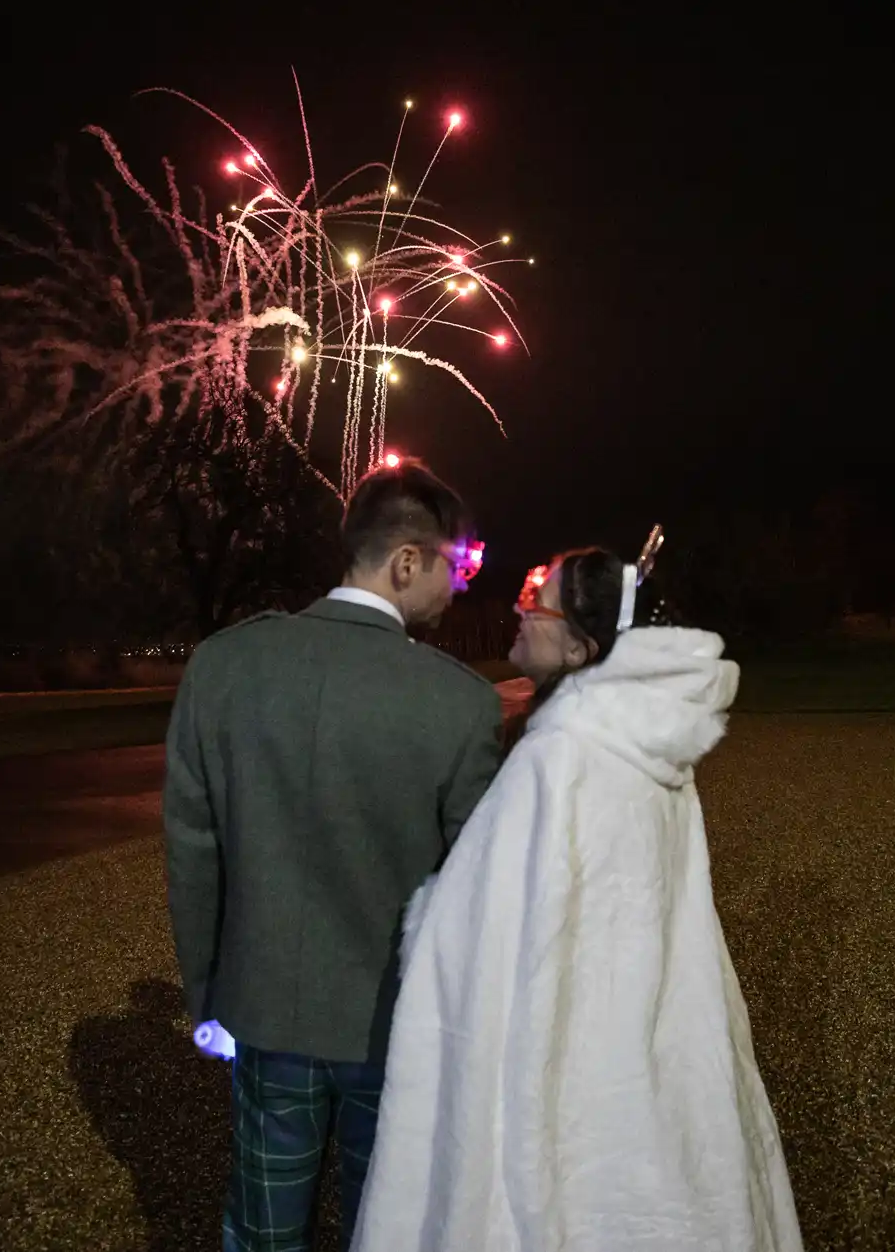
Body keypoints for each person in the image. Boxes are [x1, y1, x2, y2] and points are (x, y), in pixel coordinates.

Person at [352, 539, 805, 1252]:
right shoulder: (646, 752)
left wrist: (430, 906)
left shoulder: (560, 757)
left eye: (539, 599)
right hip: (638, 1054)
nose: (522, 608)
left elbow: (481, 934)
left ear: (578, 648)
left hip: (563, 1069)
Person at [162, 459, 506, 1252]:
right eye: (456, 565)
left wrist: (210, 995)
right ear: (407, 561)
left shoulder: (224, 666)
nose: (458, 586)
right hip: (396, 1022)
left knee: (262, 1226)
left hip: (264, 1005)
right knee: (385, 1227)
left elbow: (192, 846)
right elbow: (473, 887)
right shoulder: (458, 701)